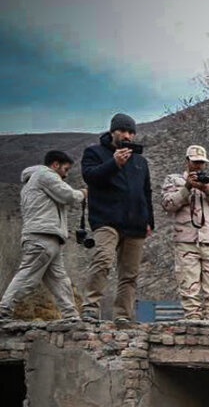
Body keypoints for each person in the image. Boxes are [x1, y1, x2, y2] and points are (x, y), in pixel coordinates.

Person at [80, 113, 153, 322]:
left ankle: (123, 315)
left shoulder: (140, 161)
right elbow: (90, 177)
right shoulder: (94, 153)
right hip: (106, 220)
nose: (127, 136)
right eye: (123, 131)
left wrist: (149, 221)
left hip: (136, 223)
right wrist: (114, 163)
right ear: (113, 131)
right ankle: (91, 308)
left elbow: (146, 192)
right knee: (102, 259)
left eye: (131, 132)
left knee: (130, 274)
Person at [0, 151, 84, 321]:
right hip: (42, 237)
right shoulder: (45, 175)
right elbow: (68, 195)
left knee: (60, 280)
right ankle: (4, 309)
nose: (66, 175)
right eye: (65, 169)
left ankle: (71, 316)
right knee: (28, 277)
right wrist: (83, 193)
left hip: (48, 238)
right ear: (55, 165)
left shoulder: (33, 181)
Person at [159, 144, 209, 320]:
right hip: (186, 241)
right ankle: (192, 320)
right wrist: (187, 188)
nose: (198, 166)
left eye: (201, 163)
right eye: (195, 162)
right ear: (187, 161)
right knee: (188, 285)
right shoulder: (174, 181)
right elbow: (168, 204)